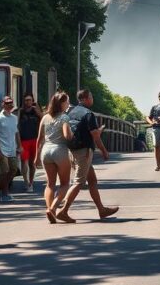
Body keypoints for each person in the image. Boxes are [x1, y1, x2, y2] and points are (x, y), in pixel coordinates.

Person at [58, 89, 119, 222]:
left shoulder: (70, 112)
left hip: (72, 150)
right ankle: (63, 210)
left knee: (92, 181)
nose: (92, 99)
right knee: (78, 182)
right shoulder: (88, 114)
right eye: (91, 97)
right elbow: (95, 136)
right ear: (85, 98)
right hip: (83, 151)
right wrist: (104, 151)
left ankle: (101, 210)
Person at [35, 91, 72, 224]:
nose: (68, 104)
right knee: (65, 183)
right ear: (61, 103)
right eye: (67, 101)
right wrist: (73, 135)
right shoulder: (64, 117)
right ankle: (53, 208)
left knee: (50, 184)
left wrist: (36, 157)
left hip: (45, 151)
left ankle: (50, 210)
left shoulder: (45, 117)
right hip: (59, 150)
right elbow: (67, 136)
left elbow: (39, 139)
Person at [0, 96, 20, 202]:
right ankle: (5, 193)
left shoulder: (14, 117)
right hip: (2, 149)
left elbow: (16, 132)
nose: (9, 105)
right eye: (7, 103)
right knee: (4, 171)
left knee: (13, 170)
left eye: (11, 103)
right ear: (2, 104)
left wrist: (19, 145)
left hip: (12, 148)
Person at [18, 93, 42, 191]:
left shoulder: (36, 111)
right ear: (24, 101)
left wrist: (38, 112)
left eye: (30, 100)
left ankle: (31, 182)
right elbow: (17, 125)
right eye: (26, 100)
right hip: (24, 140)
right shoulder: (21, 111)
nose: (28, 102)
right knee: (24, 162)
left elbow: (43, 119)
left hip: (34, 139)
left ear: (32, 101)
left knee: (32, 163)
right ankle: (26, 182)